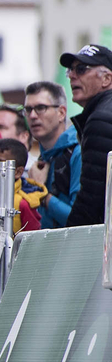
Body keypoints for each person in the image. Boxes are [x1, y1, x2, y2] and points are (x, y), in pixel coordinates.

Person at [62, 44, 112, 227]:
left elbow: (92, 198)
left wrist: (67, 242)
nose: (72, 75)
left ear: (106, 78)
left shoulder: (100, 119)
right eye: (71, 70)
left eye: (81, 69)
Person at [24, 80, 82, 228]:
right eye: (28, 109)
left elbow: (81, 221)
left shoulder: (78, 152)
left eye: (41, 108)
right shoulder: (44, 157)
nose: (32, 116)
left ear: (61, 113)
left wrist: (43, 195)